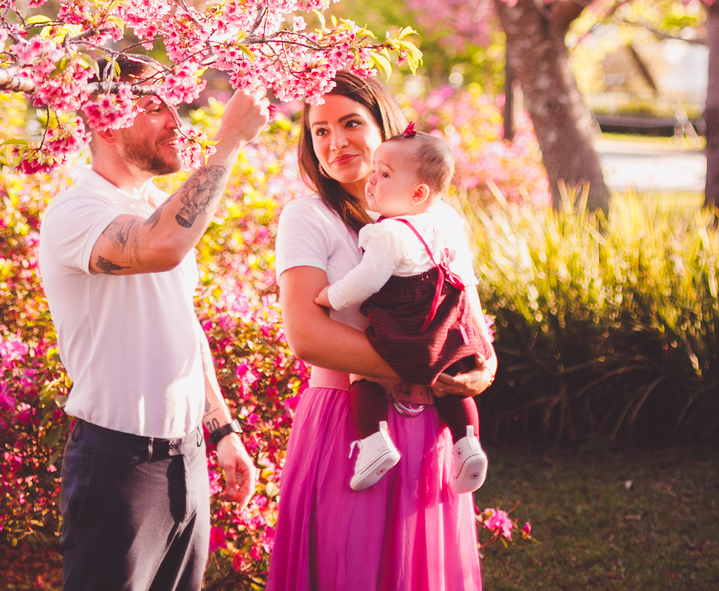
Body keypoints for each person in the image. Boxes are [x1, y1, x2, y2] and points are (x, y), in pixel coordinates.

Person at [38, 55, 268, 591]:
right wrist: (228, 141)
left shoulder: (164, 207)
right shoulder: (77, 211)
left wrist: (222, 430)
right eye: (152, 106)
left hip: (186, 457)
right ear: (104, 120)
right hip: (119, 463)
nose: (175, 118)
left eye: (173, 103)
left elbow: (181, 326)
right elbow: (161, 246)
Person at [267, 70, 496, 591]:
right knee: (347, 566)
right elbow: (307, 336)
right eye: (320, 130)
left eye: (350, 123)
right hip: (347, 423)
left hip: (433, 429)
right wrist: (428, 367)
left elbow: (473, 328)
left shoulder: (441, 220)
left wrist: (478, 375)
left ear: (384, 127)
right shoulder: (309, 218)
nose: (335, 141)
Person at [314, 125, 491, 496]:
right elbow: (459, 271)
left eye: (384, 174)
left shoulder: (387, 234)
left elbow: (366, 281)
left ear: (418, 192)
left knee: (363, 377)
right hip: (446, 319)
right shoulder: (443, 219)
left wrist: (330, 296)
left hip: (405, 324)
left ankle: (375, 443)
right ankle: (468, 443)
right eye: (375, 170)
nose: (371, 180)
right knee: (453, 383)